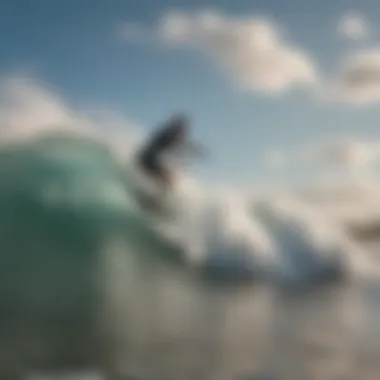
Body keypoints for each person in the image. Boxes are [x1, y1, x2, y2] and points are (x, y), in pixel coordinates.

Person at [136, 114, 205, 193]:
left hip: (146, 158)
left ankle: (153, 194)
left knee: (169, 177)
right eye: (181, 130)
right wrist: (197, 152)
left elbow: (185, 147)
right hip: (147, 159)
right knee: (168, 178)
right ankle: (156, 197)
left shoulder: (168, 134)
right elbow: (184, 146)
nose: (183, 133)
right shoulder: (169, 135)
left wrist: (197, 151)